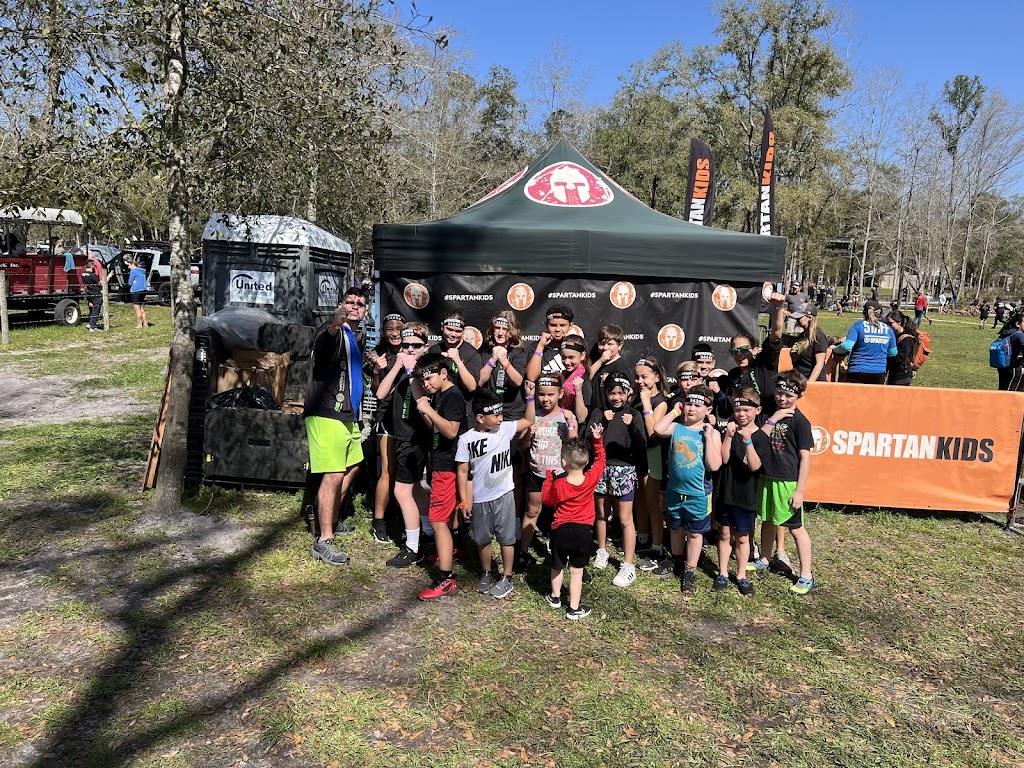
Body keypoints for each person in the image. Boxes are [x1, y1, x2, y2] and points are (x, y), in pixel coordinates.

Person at [304, 287, 368, 566]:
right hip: (327, 412)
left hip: (348, 415)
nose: (354, 306)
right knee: (333, 474)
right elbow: (323, 344)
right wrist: (335, 324)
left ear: (365, 311)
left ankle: (330, 517)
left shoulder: (355, 336)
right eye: (349, 302)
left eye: (360, 304)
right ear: (340, 305)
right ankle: (324, 540)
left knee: (353, 466)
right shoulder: (332, 330)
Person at [455, 387, 537, 600]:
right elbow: (462, 471)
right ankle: (486, 573)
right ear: (480, 418)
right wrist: (464, 500)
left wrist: (530, 397)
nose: (501, 418)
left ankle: (507, 577)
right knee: (482, 538)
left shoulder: (505, 429)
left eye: (501, 414)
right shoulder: (465, 439)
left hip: (504, 495)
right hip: (480, 498)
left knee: (506, 538)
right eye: (496, 415)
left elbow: (529, 419)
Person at [652, 386, 723, 595]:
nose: (691, 409)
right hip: (675, 490)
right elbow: (658, 428)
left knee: (694, 533)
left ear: (708, 410)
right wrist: (675, 411)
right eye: (689, 404)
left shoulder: (711, 433)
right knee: (675, 528)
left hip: (698, 494)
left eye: (697, 406)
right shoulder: (676, 427)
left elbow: (714, 465)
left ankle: (690, 570)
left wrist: (708, 437)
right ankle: (676, 560)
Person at [751, 371, 816, 595]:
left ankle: (806, 575)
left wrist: (799, 490)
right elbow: (758, 439)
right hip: (766, 477)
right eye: (779, 393)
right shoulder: (769, 412)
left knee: (795, 528)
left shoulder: (800, 422)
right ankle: (764, 559)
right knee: (767, 520)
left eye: (789, 395)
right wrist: (775, 417)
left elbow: (805, 458)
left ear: (799, 396)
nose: (782, 398)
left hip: (787, 482)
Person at [376, 323, 432, 567]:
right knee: (415, 487)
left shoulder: (426, 370)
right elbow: (381, 394)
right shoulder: (401, 366)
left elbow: (421, 399)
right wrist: (398, 365)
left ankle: (413, 548)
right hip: (400, 435)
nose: (410, 349)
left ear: (425, 347)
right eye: (405, 345)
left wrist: (411, 370)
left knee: (401, 491)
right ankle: (427, 531)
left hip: (415, 437)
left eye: (415, 346)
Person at [412, 353, 467, 599]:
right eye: (422, 381)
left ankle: (446, 578)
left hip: (448, 467)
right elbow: (437, 428)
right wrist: (426, 411)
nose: (426, 384)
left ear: (444, 373)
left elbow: (451, 431)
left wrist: (427, 409)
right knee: (446, 518)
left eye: (429, 378)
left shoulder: (452, 396)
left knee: (437, 521)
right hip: (442, 464)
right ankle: (451, 551)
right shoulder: (442, 396)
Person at [543, 426, 606, 621]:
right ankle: (573, 608)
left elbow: (546, 500)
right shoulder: (590, 479)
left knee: (557, 565)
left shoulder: (558, 484)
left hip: (560, 531)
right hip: (582, 532)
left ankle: (555, 597)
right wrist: (597, 441)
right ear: (586, 462)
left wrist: (548, 478)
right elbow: (601, 462)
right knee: (577, 571)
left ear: (563, 463)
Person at [590, 373, 647, 587]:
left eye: (620, 393)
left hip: (624, 470)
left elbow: (641, 445)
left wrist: (631, 426)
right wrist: (602, 422)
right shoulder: (599, 413)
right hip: (601, 468)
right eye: (611, 393)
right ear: (605, 393)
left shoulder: (634, 415)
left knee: (625, 519)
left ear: (628, 393)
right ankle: (602, 550)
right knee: (601, 514)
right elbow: (589, 439)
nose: (616, 397)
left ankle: (628, 565)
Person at [519, 374, 578, 569]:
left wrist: (570, 424)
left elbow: (574, 447)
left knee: (560, 513)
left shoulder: (566, 416)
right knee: (532, 510)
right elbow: (522, 446)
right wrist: (528, 435)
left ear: (560, 394)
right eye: (542, 394)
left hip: (559, 474)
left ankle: (561, 551)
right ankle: (523, 552)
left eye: (550, 394)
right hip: (536, 472)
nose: (545, 399)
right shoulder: (532, 416)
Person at [715, 388, 768, 596]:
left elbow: (755, 466)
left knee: (743, 537)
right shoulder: (730, 430)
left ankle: (741, 575)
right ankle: (722, 573)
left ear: (758, 410)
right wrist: (729, 436)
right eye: (738, 410)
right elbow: (724, 459)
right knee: (724, 533)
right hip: (726, 491)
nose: (741, 414)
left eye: (746, 410)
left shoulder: (760, 437)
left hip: (746, 494)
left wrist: (748, 441)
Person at [366, 312, 405, 543]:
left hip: (410, 419)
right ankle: (378, 521)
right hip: (387, 417)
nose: (394, 333)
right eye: (389, 328)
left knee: (407, 471)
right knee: (388, 471)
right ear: (383, 331)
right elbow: (376, 391)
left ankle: (403, 516)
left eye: (399, 328)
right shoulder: (378, 353)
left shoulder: (412, 349)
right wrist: (377, 371)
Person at [721, 291, 786, 425]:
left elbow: (775, 335)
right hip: (743, 426)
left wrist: (778, 308)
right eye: (734, 351)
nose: (739, 354)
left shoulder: (763, 364)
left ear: (755, 350)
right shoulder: (732, 375)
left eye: (744, 349)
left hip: (767, 423)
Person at [634, 356, 671, 570]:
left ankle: (658, 548)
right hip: (636, 454)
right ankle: (642, 537)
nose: (640, 381)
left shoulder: (660, 401)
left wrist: (647, 403)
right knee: (639, 500)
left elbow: (652, 431)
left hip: (652, 454)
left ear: (656, 377)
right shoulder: (636, 397)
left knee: (652, 504)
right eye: (637, 377)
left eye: (644, 377)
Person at [430, 310, 482, 425]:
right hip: (438, 411)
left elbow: (471, 387)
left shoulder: (471, 354)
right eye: (449, 329)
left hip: (463, 415)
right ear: (442, 327)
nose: (453, 334)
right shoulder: (434, 350)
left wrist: (458, 361)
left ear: (463, 332)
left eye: (458, 331)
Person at [832, 299, 898, 385]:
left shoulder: (857, 326)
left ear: (864, 313)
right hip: (878, 371)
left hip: (857, 369)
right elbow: (893, 352)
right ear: (879, 312)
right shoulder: (888, 329)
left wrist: (834, 349)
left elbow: (847, 346)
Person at [478, 311, 528, 418]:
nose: (500, 333)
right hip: (490, 409)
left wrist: (504, 361)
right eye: (497, 328)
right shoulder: (485, 351)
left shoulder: (518, 353)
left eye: (504, 329)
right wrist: (492, 360)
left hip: (512, 412)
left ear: (511, 332)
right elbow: (480, 381)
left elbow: (518, 381)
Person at [588, 324, 632, 412]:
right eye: (601, 344)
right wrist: (600, 361)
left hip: (609, 414)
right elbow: (586, 378)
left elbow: (623, 398)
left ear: (620, 345)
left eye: (610, 344)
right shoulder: (597, 363)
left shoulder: (620, 368)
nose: (605, 348)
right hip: (594, 413)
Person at [525, 304, 575, 380]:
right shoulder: (536, 347)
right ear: (546, 325)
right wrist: (541, 346)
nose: (557, 329)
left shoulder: (576, 346)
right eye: (553, 325)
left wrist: (569, 345)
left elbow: (583, 375)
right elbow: (531, 377)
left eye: (562, 325)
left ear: (570, 326)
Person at [788, 303, 828, 383]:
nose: (797, 319)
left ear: (809, 317)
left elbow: (819, 364)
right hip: (800, 381)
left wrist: (809, 384)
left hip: (815, 383)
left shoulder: (818, 336)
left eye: (799, 317)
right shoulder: (801, 336)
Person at [557, 335, 591, 424]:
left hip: (575, 428)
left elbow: (582, 418)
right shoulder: (562, 376)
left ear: (582, 355)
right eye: (563, 357)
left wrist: (578, 391)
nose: (566, 362)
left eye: (571, 357)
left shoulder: (584, 380)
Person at [884, 311, 918, 386]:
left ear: (899, 322)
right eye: (886, 323)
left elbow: (899, 358)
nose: (888, 326)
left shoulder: (907, 339)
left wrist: (884, 358)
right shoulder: (892, 336)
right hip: (892, 375)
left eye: (890, 323)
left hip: (902, 376)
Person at [995, 313, 1024, 391]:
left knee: (1002, 389)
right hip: (1013, 366)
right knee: (1011, 392)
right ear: (1017, 324)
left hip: (1002, 365)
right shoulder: (1020, 335)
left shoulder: (1006, 332)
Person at [128, 259, 149, 328]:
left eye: (129, 265)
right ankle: (145, 323)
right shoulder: (142, 271)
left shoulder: (133, 271)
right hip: (143, 289)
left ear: (133, 264)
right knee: (141, 306)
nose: (128, 267)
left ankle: (139, 324)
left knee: (137, 307)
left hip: (136, 290)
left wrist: (133, 282)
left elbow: (129, 282)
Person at [82, 262, 103, 331]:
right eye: (95, 266)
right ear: (92, 266)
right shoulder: (93, 275)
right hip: (96, 293)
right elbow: (101, 283)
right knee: (96, 310)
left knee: (92, 309)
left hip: (89, 293)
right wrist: (108, 276)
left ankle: (90, 324)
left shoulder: (83, 274)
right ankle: (93, 326)